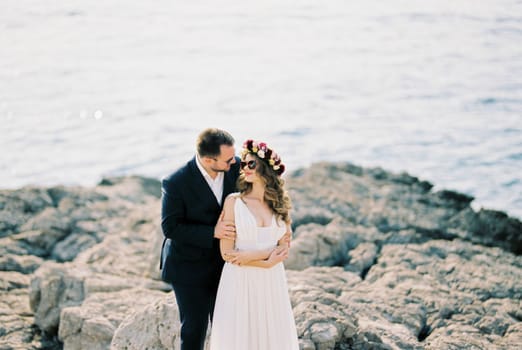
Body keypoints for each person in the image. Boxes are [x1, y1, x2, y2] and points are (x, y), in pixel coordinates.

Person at [209, 139, 299, 350]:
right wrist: (266, 259)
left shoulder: (281, 207)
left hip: (271, 282)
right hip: (239, 281)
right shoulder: (234, 202)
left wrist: (253, 257)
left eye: (252, 164)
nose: (245, 168)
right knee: (240, 338)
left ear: (266, 169)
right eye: (244, 164)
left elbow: (284, 248)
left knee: (271, 338)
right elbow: (227, 254)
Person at [160, 128, 241, 350]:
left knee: (227, 325)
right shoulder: (176, 182)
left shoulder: (235, 167)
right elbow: (170, 227)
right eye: (227, 159)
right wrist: (212, 232)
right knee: (194, 329)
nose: (234, 162)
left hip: (224, 263)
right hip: (188, 266)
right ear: (208, 159)